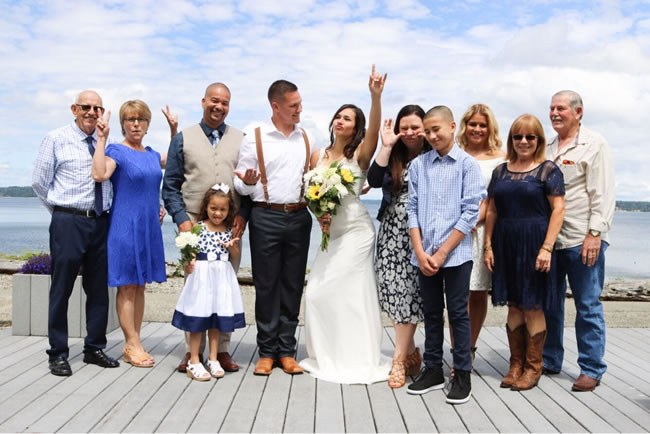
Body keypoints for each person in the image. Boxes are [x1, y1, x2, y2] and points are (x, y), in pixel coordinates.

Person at [299, 65, 391, 384]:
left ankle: (357, 356)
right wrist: (318, 213)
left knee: (349, 292)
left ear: (356, 127)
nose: (341, 121)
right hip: (331, 234)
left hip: (356, 231)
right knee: (316, 293)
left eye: (348, 118)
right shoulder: (316, 155)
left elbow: (376, 129)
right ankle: (329, 352)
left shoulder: (360, 156)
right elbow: (310, 195)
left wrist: (374, 96)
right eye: (338, 116)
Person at [162, 83, 249, 374]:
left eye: (225, 102)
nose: (219, 106)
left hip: (229, 229)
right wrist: (181, 219)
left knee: (225, 288)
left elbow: (248, 188)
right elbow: (170, 186)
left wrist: (243, 218)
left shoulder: (241, 138)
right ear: (203, 101)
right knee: (195, 288)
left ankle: (221, 351)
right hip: (192, 226)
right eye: (214, 100)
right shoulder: (183, 138)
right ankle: (192, 352)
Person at [32, 90, 120, 376]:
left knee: (98, 290)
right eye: (86, 107)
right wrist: (61, 214)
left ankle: (94, 347)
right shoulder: (56, 139)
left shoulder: (105, 143)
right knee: (62, 288)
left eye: (98, 108)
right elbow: (39, 183)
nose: (92, 112)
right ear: (74, 109)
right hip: (69, 222)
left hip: (101, 222)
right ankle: (57, 352)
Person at [233, 79, 314, 376]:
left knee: (293, 284)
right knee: (266, 285)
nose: (299, 110)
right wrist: (249, 182)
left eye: (300, 103)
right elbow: (239, 182)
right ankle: (266, 352)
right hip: (265, 215)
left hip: (299, 216)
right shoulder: (254, 135)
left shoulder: (306, 136)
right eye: (294, 106)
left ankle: (286, 350)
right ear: (276, 106)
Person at [406, 106, 485, 405]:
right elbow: (412, 210)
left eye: (436, 129)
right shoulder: (419, 166)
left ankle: (461, 372)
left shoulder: (467, 165)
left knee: (458, 313)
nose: (432, 135)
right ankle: (434, 368)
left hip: (454, 255)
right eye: (427, 131)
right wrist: (419, 250)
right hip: (423, 254)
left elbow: (470, 214)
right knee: (430, 313)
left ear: (452, 127)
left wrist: (441, 253)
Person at [484, 114, 565, 391]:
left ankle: (533, 367)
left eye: (530, 137)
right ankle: (515, 363)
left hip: (535, 243)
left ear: (539, 140)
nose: (524, 141)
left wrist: (547, 248)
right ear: (511, 139)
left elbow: (559, 210)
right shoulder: (501, 171)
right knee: (514, 305)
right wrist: (488, 245)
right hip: (506, 243)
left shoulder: (548, 170)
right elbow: (492, 209)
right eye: (518, 136)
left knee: (533, 305)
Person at [542, 90, 616, 392]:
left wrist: (595, 233)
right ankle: (550, 359)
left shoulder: (594, 144)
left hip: (582, 238)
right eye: (551, 108)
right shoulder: (547, 147)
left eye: (561, 108)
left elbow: (603, 192)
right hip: (551, 240)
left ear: (578, 112)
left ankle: (591, 367)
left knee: (587, 305)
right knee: (551, 305)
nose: (555, 113)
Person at [91, 100, 167, 368]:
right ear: (123, 124)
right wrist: (101, 139)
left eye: (141, 120)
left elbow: (176, 162)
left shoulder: (151, 154)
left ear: (147, 125)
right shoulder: (116, 151)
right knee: (127, 285)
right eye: (131, 120)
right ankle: (131, 343)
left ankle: (134, 341)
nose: (136, 124)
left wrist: (174, 130)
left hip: (148, 227)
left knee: (141, 283)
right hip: (124, 225)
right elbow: (99, 174)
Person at [366, 104, 429, 388]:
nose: (410, 132)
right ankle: (412, 353)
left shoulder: (433, 154)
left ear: (425, 127)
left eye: (415, 127)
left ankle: (399, 359)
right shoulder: (395, 154)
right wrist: (387, 145)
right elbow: (373, 180)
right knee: (394, 293)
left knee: (409, 295)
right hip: (392, 231)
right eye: (404, 127)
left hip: (423, 232)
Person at [172, 185, 246, 381]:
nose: (218, 213)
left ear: (229, 210)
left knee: (216, 318)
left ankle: (213, 358)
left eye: (223, 209)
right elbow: (191, 252)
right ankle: (194, 359)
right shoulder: (199, 227)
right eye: (214, 208)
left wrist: (232, 247)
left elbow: (235, 254)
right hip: (202, 277)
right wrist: (189, 263)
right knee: (198, 318)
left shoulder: (229, 230)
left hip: (221, 277)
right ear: (206, 207)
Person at [455, 104, 505, 362]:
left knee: (476, 292)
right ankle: (456, 348)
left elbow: (495, 197)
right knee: (456, 294)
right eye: (472, 124)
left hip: (481, 229)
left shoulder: (500, 158)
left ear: (490, 128)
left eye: (482, 125)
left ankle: (469, 348)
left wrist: (476, 217)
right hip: (452, 230)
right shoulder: (454, 152)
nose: (476, 129)